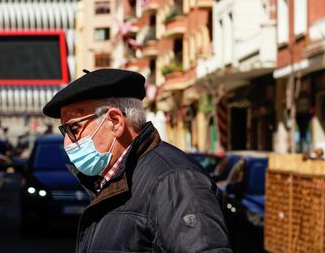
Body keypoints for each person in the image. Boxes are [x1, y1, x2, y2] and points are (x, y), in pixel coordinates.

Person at [43, 68, 231, 253]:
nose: (67, 142)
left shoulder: (175, 180)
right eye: (64, 131)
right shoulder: (109, 180)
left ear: (115, 121)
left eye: (73, 129)